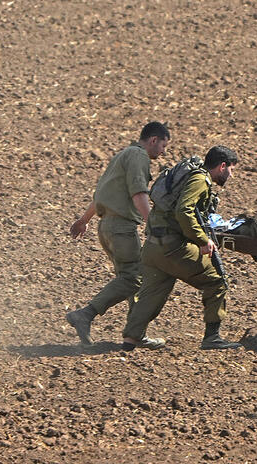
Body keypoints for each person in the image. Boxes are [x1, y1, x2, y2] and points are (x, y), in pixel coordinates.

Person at [121, 146, 241, 351]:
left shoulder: (190, 176)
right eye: (231, 169)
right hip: (172, 248)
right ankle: (212, 337)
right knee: (217, 282)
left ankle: (131, 339)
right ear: (222, 166)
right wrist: (203, 240)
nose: (231, 174)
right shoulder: (200, 181)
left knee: (154, 291)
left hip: (152, 247)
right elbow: (184, 210)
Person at [65, 121, 171, 346]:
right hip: (122, 228)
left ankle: (135, 334)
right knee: (135, 277)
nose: (163, 152)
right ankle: (86, 314)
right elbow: (138, 192)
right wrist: (153, 223)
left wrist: (84, 220)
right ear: (153, 140)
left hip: (106, 228)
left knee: (132, 276)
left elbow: (102, 194)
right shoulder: (138, 156)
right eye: (163, 146)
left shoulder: (122, 155)